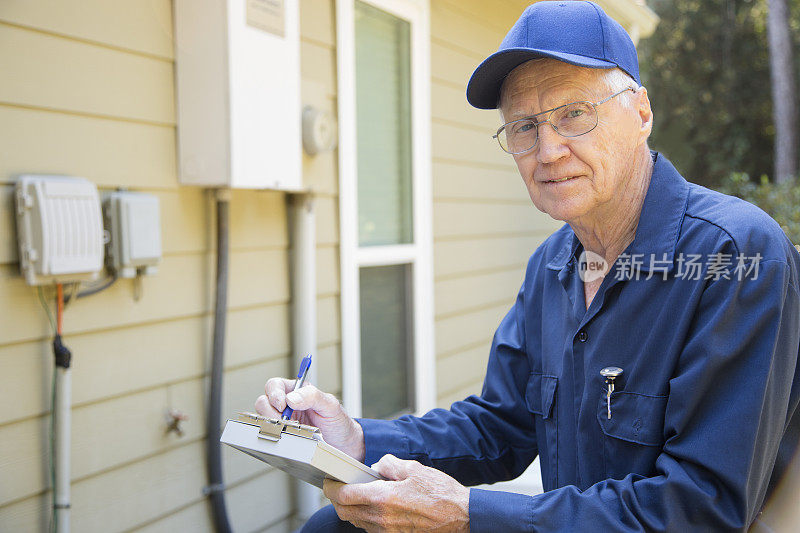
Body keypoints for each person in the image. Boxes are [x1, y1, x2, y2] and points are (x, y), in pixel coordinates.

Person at [255, 2, 800, 531]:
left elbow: (701, 509)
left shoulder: (735, 257)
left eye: (574, 115)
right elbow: (502, 427)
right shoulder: (553, 266)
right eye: (522, 127)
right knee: (336, 526)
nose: (548, 150)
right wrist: (356, 440)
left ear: (641, 113)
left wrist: (470, 514)